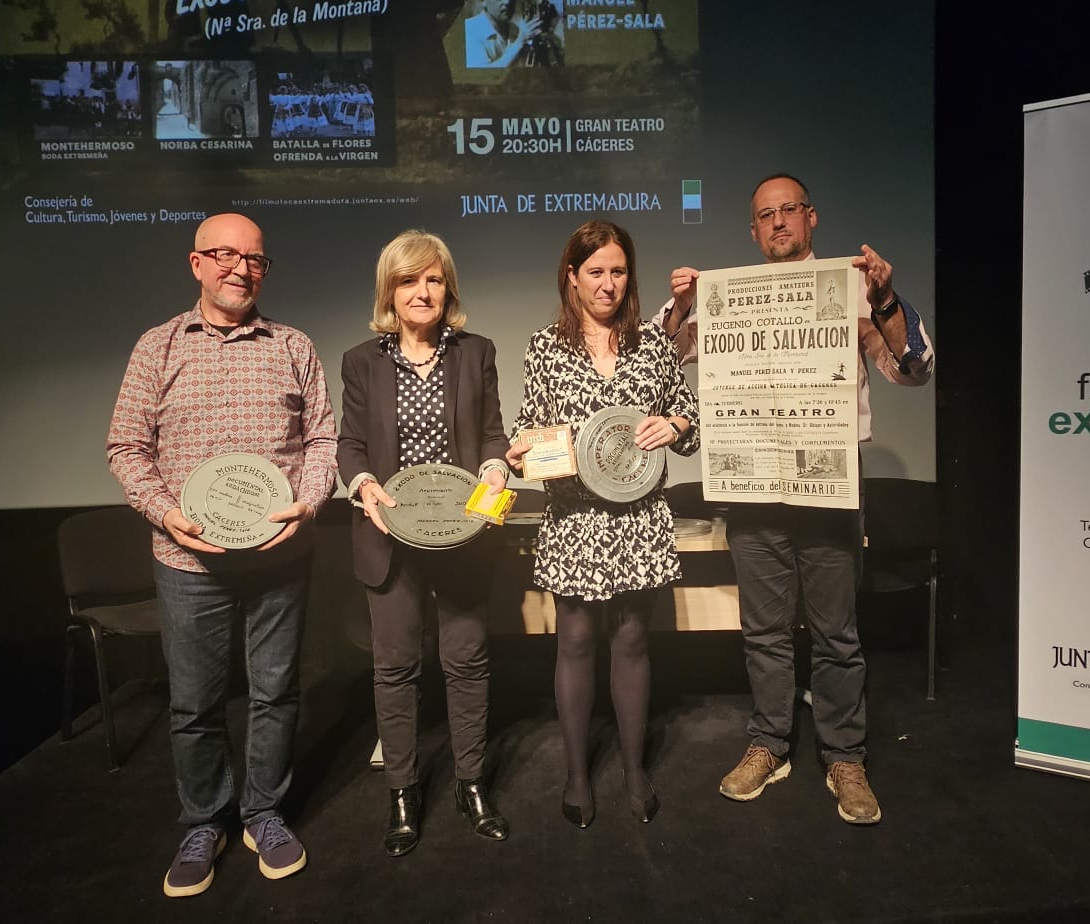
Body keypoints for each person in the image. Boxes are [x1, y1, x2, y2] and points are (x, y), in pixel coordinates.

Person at [656, 173, 937, 825]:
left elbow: (915, 370)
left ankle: (844, 757)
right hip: (750, 486)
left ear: (811, 218)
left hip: (827, 485)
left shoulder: (856, 292)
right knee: (764, 632)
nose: (778, 222)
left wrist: (888, 300)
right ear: (752, 231)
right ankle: (768, 744)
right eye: (765, 215)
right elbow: (658, 359)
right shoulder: (727, 299)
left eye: (788, 210)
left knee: (837, 631)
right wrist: (679, 308)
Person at [107, 213, 335, 895]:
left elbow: (323, 441)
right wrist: (170, 516)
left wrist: (310, 500)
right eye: (225, 255)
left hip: (279, 558)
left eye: (255, 259)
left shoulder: (293, 344)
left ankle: (263, 811)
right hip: (189, 563)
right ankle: (203, 820)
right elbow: (126, 449)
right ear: (196, 263)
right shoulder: (158, 347)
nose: (241, 268)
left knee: (274, 692)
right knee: (196, 703)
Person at [506, 220, 700, 828]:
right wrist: (520, 450)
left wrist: (675, 427)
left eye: (618, 271)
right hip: (574, 518)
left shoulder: (653, 343)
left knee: (634, 640)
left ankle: (635, 768)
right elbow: (531, 424)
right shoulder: (545, 346)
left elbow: (687, 413)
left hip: (639, 519)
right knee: (577, 642)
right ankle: (575, 772)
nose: (609, 284)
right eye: (596, 272)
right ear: (572, 276)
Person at [337, 230, 513, 856]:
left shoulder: (477, 352)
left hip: (461, 536)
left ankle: (471, 784)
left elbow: (492, 433)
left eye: (433, 279)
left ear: (448, 287)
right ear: (390, 290)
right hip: (390, 537)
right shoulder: (361, 362)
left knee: (466, 661)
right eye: (409, 280)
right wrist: (361, 485)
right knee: (396, 668)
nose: (422, 291)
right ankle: (403, 793)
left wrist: (495, 469)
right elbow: (350, 445)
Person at [464, 0, 533, 68]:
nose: (507, 2)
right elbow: (482, 75)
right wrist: (519, 43)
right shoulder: (470, 29)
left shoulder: (517, 30)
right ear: (483, 2)